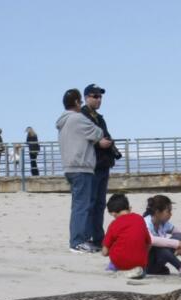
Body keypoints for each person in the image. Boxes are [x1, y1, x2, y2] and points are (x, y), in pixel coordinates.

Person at [57, 88, 108, 253]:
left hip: (70, 167)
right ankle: (78, 241)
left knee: (80, 205)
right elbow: (98, 133)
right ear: (79, 102)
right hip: (81, 167)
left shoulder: (63, 120)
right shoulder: (78, 118)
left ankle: (80, 240)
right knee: (82, 206)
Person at [81, 85, 119, 249]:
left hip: (103, 164)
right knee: (90, 203)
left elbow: (105, 135)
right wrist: (98, 143)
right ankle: (87, 237)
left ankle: (98, 237)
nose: (98, 99)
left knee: (100, 204)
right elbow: (81, 137)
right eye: (95, 96)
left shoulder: (99, 117)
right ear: (86, 97)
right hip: (91, 165)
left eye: (100, 97)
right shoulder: (82, 116)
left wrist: (110, 146)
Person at [141, 194, 181, 279]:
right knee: (161, 247)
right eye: (168, 211)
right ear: (157, 212)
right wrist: (178, 244)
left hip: (158, 261)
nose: (171, 214)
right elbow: (152, 240)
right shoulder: (145, 222)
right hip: (146, 265)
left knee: (178, 236)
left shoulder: (163, 224)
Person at [100, 193, 149, 279]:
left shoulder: (114, 224)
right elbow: (148, 243)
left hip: (120, 262)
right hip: (140, 263)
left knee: (115, 251)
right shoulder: (140, 219)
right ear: (128, 207)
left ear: (114, 214)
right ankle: (136, 270)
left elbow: (104, 252)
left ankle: (116, 269)